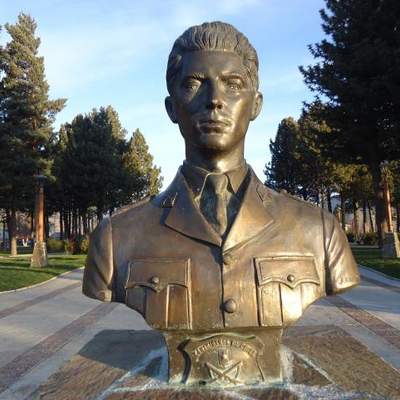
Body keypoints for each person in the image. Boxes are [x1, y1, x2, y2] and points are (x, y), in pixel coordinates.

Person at [83, 20, 359, 338]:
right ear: (172, 108)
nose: (214, 99)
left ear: (255, 105)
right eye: (194, 83)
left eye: (232, 83)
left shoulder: (319, 231)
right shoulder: (117, 236)